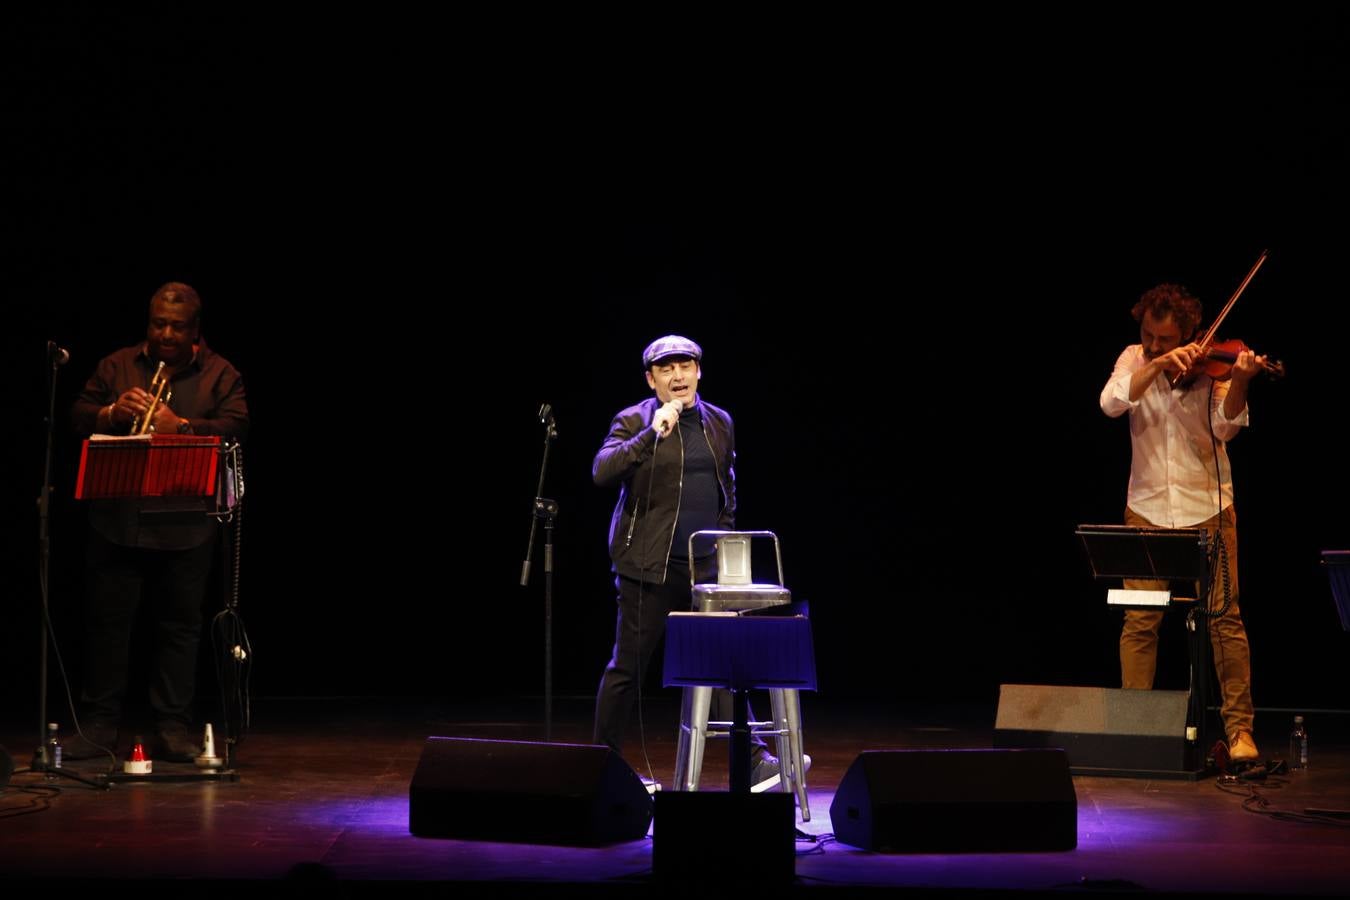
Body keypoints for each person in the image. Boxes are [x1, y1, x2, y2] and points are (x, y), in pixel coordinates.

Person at [592, 335, 803, 790]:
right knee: (627, 669)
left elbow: (727, 483)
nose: (677, 376)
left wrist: (722, 540)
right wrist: (653, 433)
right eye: (666, 369)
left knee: (726, 663)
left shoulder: (720, 422)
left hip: (704, 570)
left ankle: (755, 761)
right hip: (646, 567)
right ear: (652, 381)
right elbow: (603, 470)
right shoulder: (634, 420)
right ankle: (600, 766)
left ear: (698, 372)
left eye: (684, 366)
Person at [65, 282, 249, 762]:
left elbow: (237, 424)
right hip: (118, 518)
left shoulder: (220, 373)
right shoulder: (117, 365)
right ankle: (100, 724)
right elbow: (78, 413)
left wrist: (183, 428)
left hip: (187, 524)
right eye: (158, 323)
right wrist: (109, 411)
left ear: (195, 330)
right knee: (107, 625)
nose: (165, 334)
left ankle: (173, 727)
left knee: (179, 628)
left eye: (177, 326)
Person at [1099, 283, 1263, 766]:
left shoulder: (1212, 368)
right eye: (1148, 335)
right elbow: (1110, 403)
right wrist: (1154, 365)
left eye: (1164, 339)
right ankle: (1135, 731)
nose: (1153, 344)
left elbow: (1225, 427)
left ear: (1190, 334)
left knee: (1224, 621)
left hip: (1208, 509)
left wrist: (1244, 381)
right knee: (1141, 619)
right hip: (1147, 509)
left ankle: (1240, 733)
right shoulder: (1133, 358)